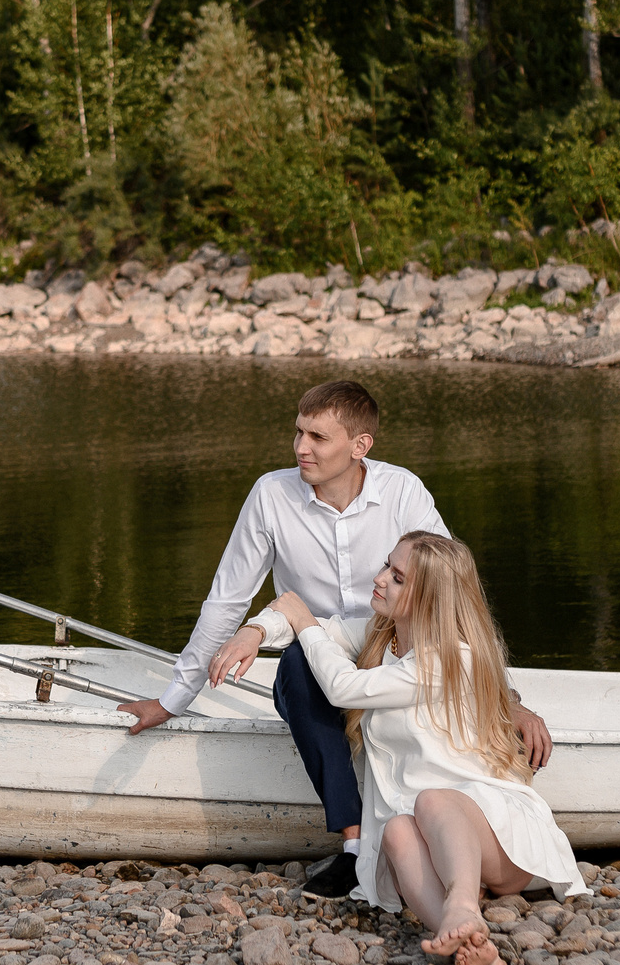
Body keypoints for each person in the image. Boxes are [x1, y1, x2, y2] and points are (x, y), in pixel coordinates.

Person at [115, 381, 551, 898]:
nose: (302, 448)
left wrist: (506, 701)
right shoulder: (271, 495)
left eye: (318, 437)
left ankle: (462, 835)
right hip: (316, 658)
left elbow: (455, 597)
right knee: (297, 662)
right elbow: (226, 600)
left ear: (360, 445)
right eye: (299, 432)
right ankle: (353, 843)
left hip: (394, 657)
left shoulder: (402, 492)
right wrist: (174, 699)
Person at [254, 531, 585, 965]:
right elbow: (317, 632)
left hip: (496, 836)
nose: (379, 579)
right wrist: (256, 631)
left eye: (397, 577)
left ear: (428, 598)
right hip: (428, 840)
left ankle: (464, 902)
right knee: (394, 833)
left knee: (432, 798)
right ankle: (464, 939)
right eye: (386, 566)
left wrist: (302, 620)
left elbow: (342, 685)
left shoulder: (450, 659)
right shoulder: (382, 637)